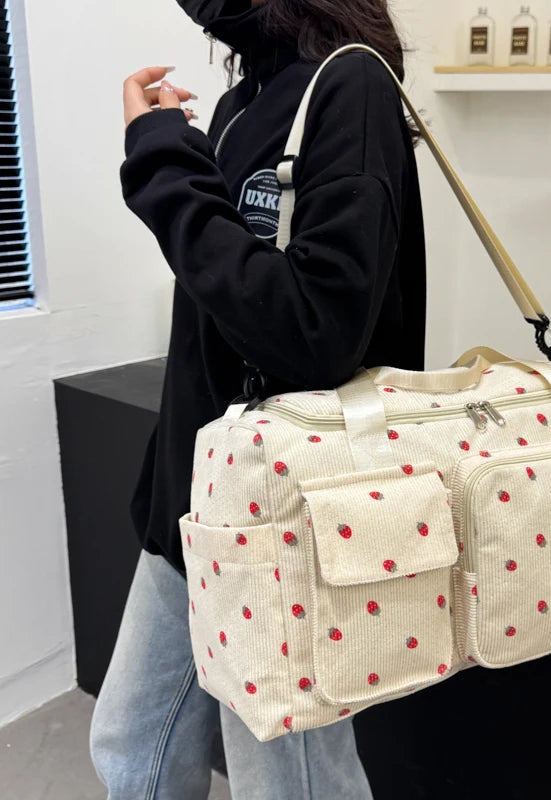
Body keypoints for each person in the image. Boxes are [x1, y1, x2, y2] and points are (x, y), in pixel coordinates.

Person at [89, 1, 427, 797]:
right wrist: (181, 154)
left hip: (280, 520)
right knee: (134, 748)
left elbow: (313, 332)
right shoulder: (250, 99)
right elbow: (231, 293)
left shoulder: (351, 86)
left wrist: (163, 164)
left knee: (288, 780)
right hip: (197, 499)